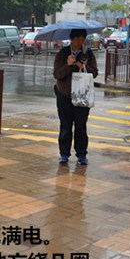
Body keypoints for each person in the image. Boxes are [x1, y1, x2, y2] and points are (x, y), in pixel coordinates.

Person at [52, 28, 98, 165]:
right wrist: (68, 65)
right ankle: (64, 154)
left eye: (83, 39)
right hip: (65, 95)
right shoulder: (63, 53)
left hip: (82, 95)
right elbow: (57, 74)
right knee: (65, 126)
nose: (80, 41)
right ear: (72, 39)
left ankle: (82, 154)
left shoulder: (88, 53)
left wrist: (85, 67)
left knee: (81, 126)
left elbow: (95, 73)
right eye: (78, 39)